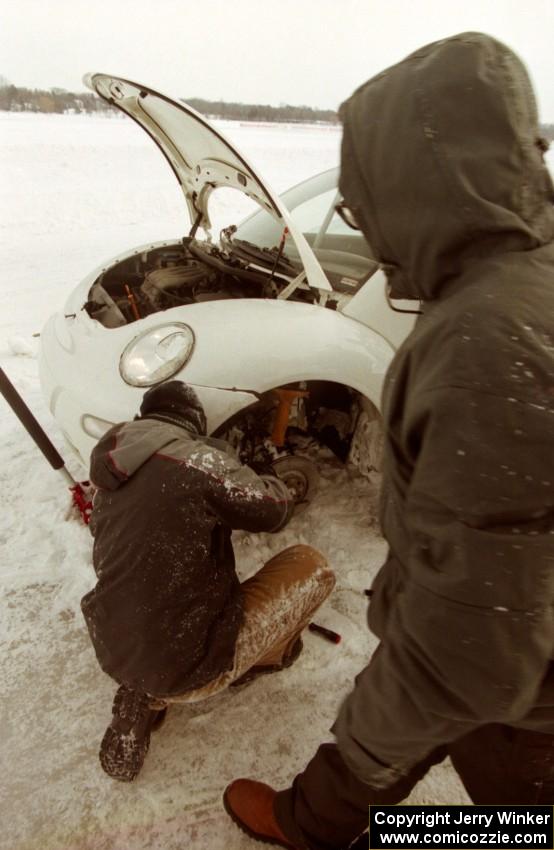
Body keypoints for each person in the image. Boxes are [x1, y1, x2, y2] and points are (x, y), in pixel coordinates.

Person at [222, 31, 554, 848]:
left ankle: (345, 828)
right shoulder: (520, 286)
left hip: (526, 703)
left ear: (415, 186)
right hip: (515, 642)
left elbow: (464, 654)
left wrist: (341, 784)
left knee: (509, 821)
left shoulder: (487, 342)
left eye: (363, 196)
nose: (361, 221)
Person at [81, 380, 335, 781]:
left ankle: (140, 684)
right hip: (191, 660)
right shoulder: (196, 461)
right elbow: (274, 510)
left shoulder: (111, 469)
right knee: (313, 565)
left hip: (111, 641)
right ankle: (262, 657)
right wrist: (264, 472)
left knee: (151, 581)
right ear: (192, 423)